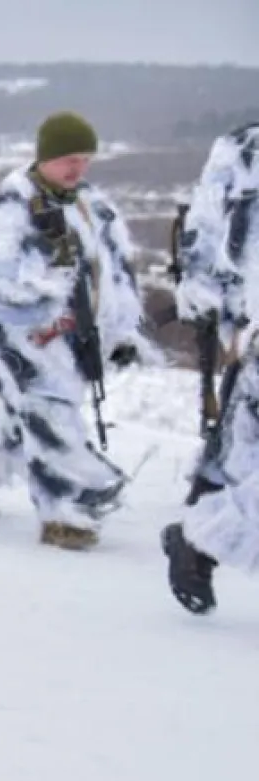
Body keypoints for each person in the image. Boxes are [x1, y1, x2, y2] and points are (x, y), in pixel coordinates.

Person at [0, 111, 161, 550]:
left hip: (80, 335)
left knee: (27, 410)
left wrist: (121, 333)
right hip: (18, 337)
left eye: (84, 159)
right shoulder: (5, 211)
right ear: (44, 156)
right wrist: (43, 301)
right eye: (67, 158)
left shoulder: (94, 208)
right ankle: (66, 515)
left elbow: (116, 277)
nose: (77, 168)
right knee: (49, 410)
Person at [161, 121, 259, 615]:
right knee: (240, 459)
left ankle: (198, 541)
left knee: (243, 463)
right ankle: (199, 538)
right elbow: (205, 243)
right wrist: (228, 323)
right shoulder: (244, 152)